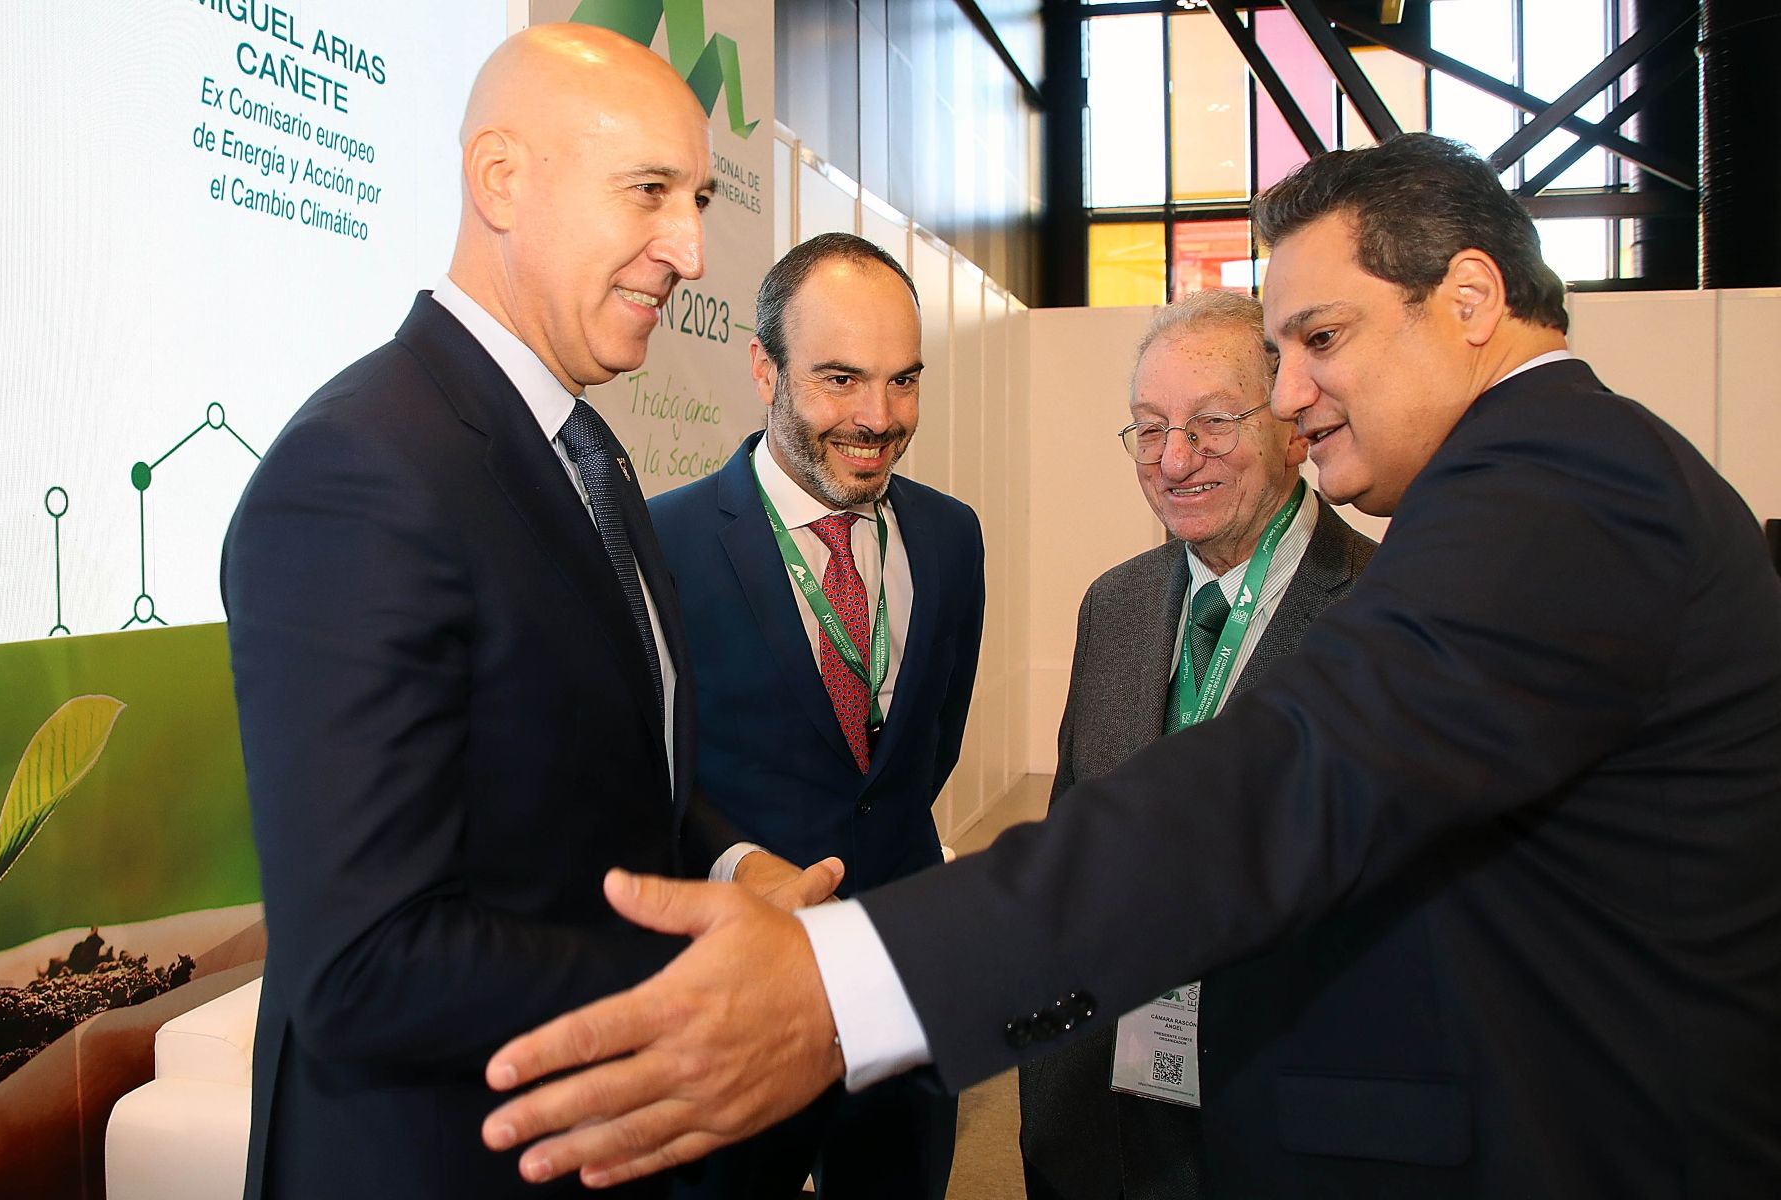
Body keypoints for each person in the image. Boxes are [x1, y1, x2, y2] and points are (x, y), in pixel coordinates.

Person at [480, 133, 1781, 1196]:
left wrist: (849, 985)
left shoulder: (1560, 490)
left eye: (1320, 340)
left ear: (1473, 301)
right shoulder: (1541, 486)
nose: (1295, 395)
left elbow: (1277, 789)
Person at [221, 25, 836, 1200]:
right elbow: (363, 963)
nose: (693, 250)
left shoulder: (580, 446)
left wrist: (734, 870)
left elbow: (595, 776)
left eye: (699, 197)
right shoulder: (362, 472)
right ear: (501, 178)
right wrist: (724, 974)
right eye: (650, 192)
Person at [647, 232, 983, 1199]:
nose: (879, 420)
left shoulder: (952, 539)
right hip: (734, 990)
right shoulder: (661, 544)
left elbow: (927, 749)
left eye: (904, 382)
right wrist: (737, 862)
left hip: (906, 980)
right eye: (840, 380)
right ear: (765, 369)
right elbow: (641, 766)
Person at [1017, 290, 1374, 1200]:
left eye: (1215, 422)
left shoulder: (1383, 612)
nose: (1176, 460)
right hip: (1095, 1104)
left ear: (1293, 422)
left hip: (1280, 1104)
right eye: (1148, 428)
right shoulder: (1117, 603)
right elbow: (1071, 844)